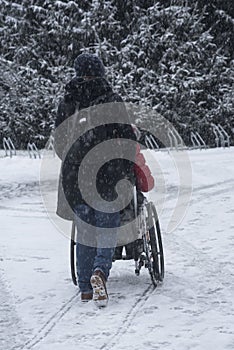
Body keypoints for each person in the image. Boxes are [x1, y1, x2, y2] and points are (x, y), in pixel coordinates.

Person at [54, 53, 136, 306]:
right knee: (108, 224)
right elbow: (127, 136)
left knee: (86, 230)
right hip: (109, 174)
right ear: (101, 72)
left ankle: (85, 288)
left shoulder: (69, 101)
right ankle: (101, 271)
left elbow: (59, 141)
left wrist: (72, 159)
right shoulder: (112, 100)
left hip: (77, 175)